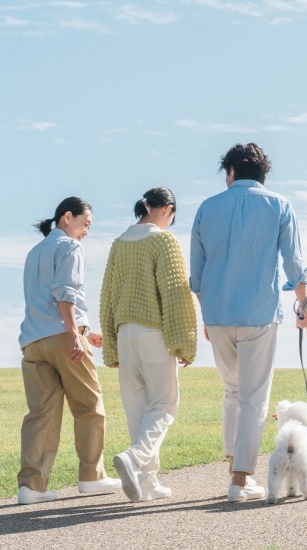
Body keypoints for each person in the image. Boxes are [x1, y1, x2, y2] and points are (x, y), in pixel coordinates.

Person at [190, 142, 307, 502]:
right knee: (254, 399)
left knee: (231, 392)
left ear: (230, 173)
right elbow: (295, 263)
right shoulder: (279, 205)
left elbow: (197, 271)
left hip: (218, 314)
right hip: (259, 313)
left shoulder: (207, 208)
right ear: (263, 174)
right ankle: (240, 482)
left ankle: (235, 472)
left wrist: (207, 313)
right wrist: (303, 305)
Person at [17, 197, 122, 505]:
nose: (86, 232)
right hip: (64, 338)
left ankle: (32, 486)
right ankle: (92, 476)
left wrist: (86, 333)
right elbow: (65, 293)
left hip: (33, 342)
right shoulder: (70, 247)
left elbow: (46, 301)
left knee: (41, 415)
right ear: (66, 217)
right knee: (89, 405)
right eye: (85, 224)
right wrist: (76, 334)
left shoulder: (34, 252)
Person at [100, 186, 197, 502]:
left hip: (125, 334)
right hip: (153, 332)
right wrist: (185, 342)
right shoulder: (163, 240)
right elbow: (175, 293)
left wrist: (111, 346)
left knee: (138, 409)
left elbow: (107, 298)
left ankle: (147, 483)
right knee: (165, 404)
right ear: (167, 209)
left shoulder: (118, 244)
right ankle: (136, 458)